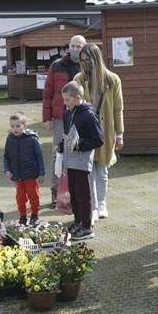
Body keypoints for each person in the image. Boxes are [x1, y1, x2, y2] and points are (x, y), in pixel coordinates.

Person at [72, 43, 124, 220]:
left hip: (105, 130)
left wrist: (119, 134)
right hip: (86, 131)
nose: (86, 64)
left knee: (102, 169)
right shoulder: (78, 79)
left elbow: (118, 108)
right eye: (82, 60)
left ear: (97, 59)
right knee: (88, 171)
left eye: (89, 60)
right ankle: (92, 205)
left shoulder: (112, 79)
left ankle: (102, 203)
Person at [57, 81, 104, 241]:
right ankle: (78, 221)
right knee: (74, 193)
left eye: (67, 100)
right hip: (70, 161)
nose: (65, 103)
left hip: (82, 162)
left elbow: (98, 140)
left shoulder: (89, 115)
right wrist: (61, 146)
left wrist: (80, 145)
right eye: (63, 100)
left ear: (78, 97)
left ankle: (87, 226)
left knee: (84, 195)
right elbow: (67, 134)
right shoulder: (68, 112)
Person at [42, 35, 85, 207]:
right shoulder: (57, 65)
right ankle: (55, 191)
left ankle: (75, 192)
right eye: (72, 45)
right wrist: (47, 118)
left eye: (78, 46)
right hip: (60, 115)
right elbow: (48, 92)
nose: (75, 49)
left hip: (81, 115)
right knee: (57, 153)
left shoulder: (87, 66)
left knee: (78, 151)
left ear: (84, 47)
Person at [3, 112, 45, 225]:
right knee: (20, 198)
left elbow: (39, 156)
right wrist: (7, 169)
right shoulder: (10, 139)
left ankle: (35, 215)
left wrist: (42, 173)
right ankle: (22, 216)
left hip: (31, 174)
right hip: (17, 175)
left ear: (24, 126)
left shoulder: (32, 139)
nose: (14, 129)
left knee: (33, 196)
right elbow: (6, 156)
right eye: (12, 126)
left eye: (18, 126)